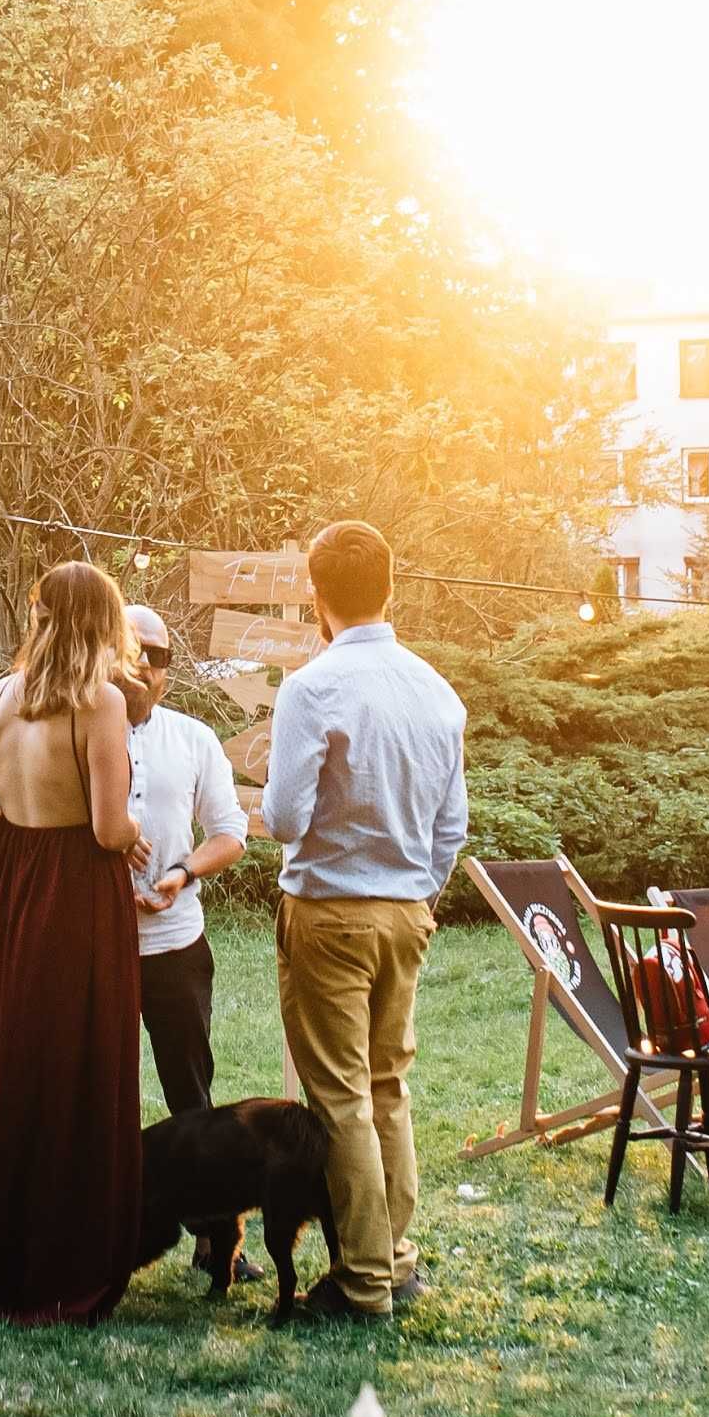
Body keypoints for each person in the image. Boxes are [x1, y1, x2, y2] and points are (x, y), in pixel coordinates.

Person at [0, 560, 144, 1324]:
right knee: (72, 1068)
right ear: (102, 623)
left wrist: (20, 832)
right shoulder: (101, 703)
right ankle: (58, 1271)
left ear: (42, 616)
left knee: (5, 1064)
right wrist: (133, 835)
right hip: (77, 893)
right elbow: (111, 829)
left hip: (10, 889)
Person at [260, 517, 468, 1326]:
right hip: (406, 911)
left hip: (330, 914)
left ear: (316, 596)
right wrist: (420, 895)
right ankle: (398, 1259)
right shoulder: (436, 691)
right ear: (390, 588)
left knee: (341, 1098)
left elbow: (282, 817)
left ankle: (362, 1281)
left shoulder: (313, 687)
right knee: (388, 1090)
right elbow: (451, 825)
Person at [118, 602, 248, 1121]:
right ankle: (114, 1197)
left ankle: (203, 1199)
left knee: (191, 1094)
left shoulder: (194, 738)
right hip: (100, 943)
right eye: (133, 651)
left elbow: (231, 834)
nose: (146, 664)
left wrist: (183, 872)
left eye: (159, 654)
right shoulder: (77, 735)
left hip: (177, 944)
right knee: (101, 1093)